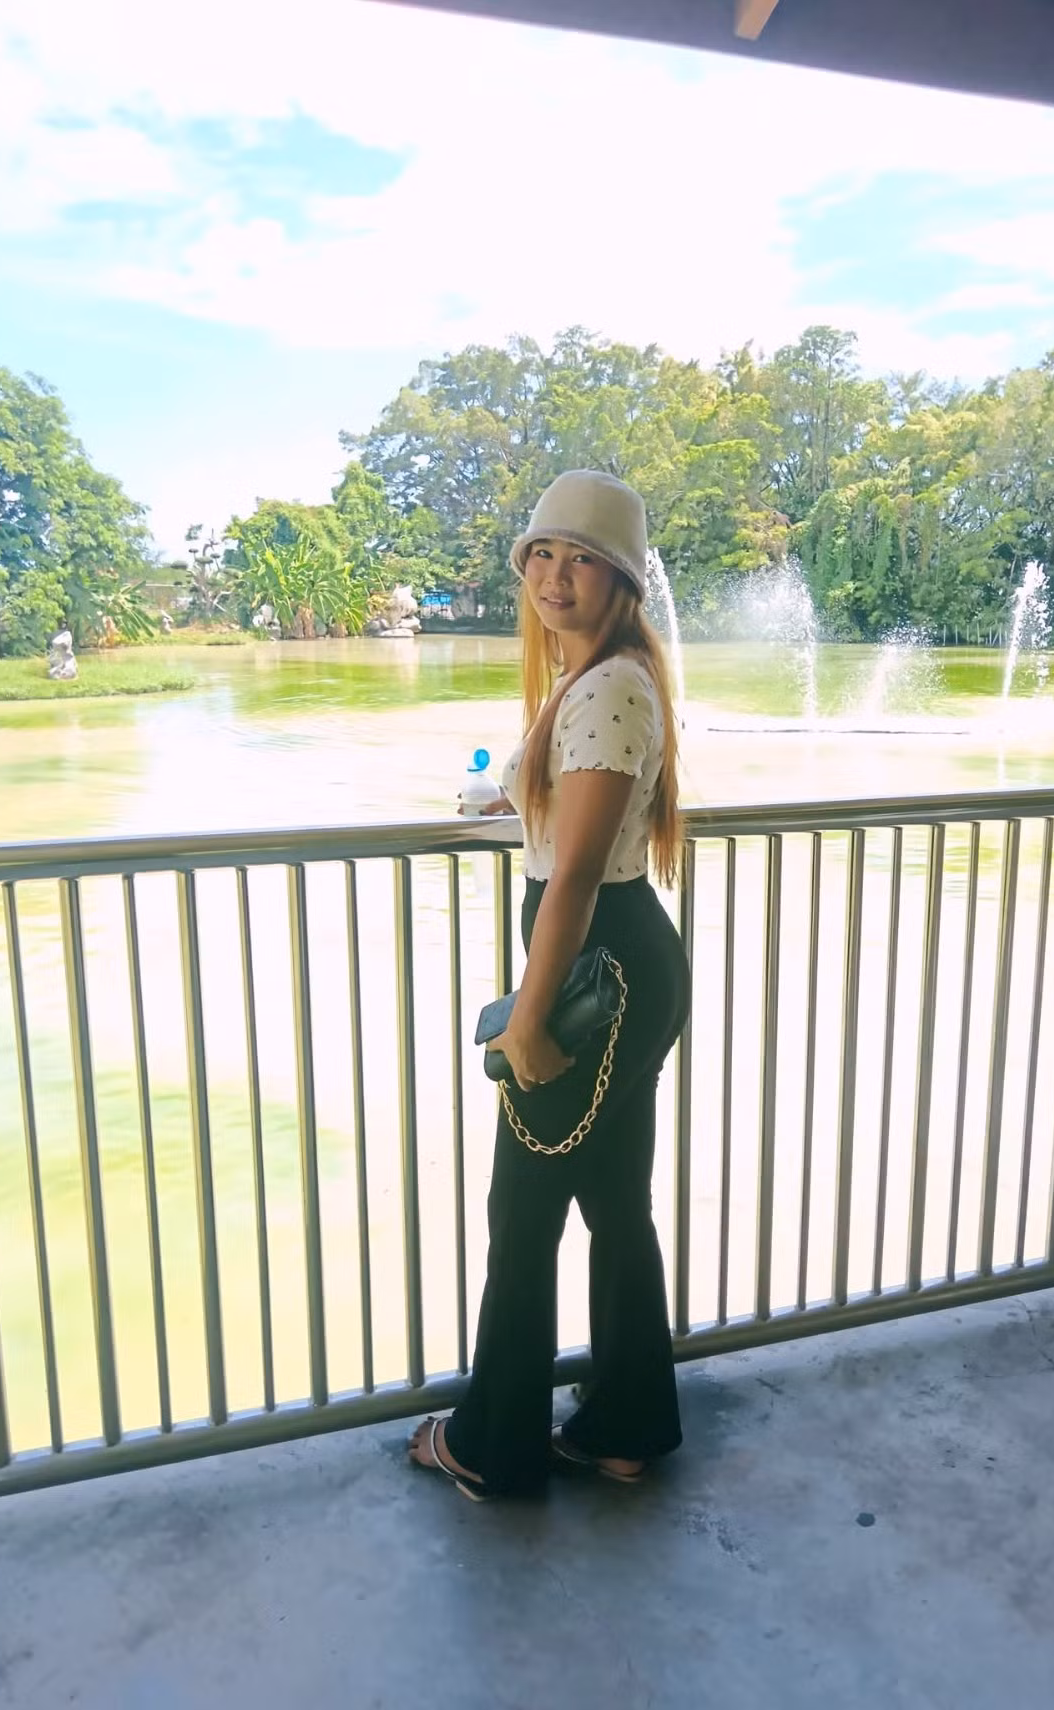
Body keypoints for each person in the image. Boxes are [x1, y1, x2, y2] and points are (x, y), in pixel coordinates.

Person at [409, 470, 690, 1501]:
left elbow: (572, 877)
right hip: (618, 960)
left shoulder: (608, 685)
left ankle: (493, 1445)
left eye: (582, 559)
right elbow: (569, 823)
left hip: (592, 968)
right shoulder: (595, 677)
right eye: (541, 554)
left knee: (521, 1214)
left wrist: (528, 1021)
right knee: (614, 1201)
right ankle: (624, 1426)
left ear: (622, 581)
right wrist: (509, 809)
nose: (554, 577)